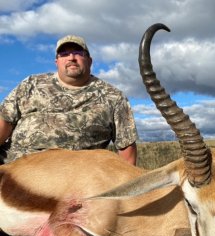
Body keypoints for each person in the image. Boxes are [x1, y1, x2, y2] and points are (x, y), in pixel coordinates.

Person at [0, 35, 138, 165]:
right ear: (57, 62)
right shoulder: (31, 84)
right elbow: (3, 124)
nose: (71, 57)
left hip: (75, 178)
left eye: (78, 52)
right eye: (64, 54)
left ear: (89, 61)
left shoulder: (113, 96)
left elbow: (126, 147)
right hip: (13, 166)